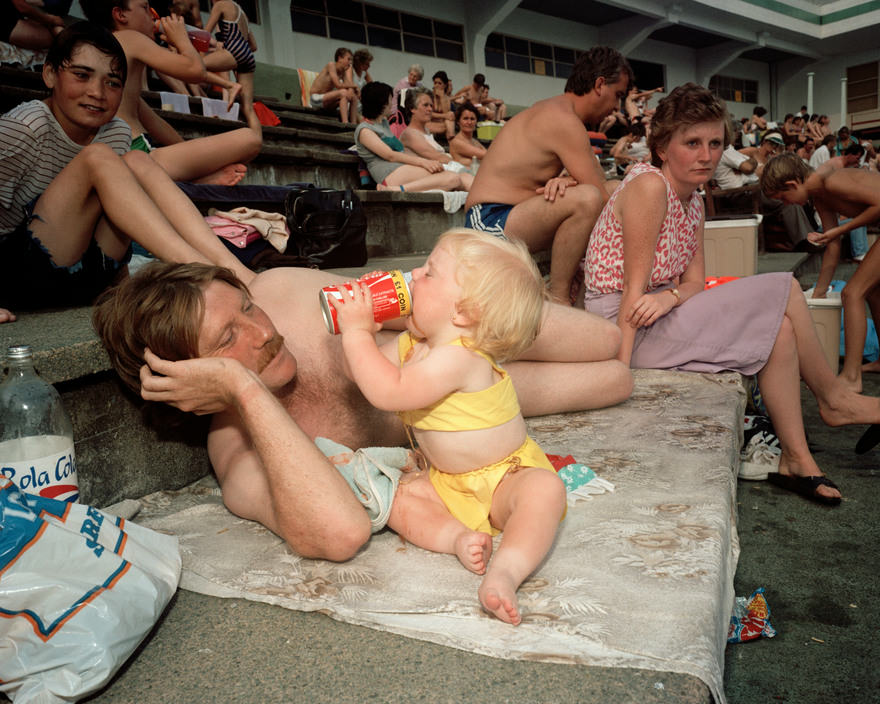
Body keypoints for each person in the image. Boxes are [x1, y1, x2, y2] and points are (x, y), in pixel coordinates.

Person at [91, 259, 633, 561]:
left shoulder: (283, 291)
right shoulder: (237, 449)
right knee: (616, 379)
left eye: (248, 308)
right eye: (228, 339)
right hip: (466, 420)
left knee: (606, 341)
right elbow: (338, 533)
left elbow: (406, 299)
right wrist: (242, 388)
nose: (264, 332)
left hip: (459, 350)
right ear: (185, 374)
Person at [581, 82, 880, 506]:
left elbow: (692, 284)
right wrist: (620, 378)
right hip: (622, 323)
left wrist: (669, 298)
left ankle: (797, 458)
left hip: (661, 312)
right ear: (663, 147)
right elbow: (632, 295)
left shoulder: (695, 199)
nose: (706, 154)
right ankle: (833, 400)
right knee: (784, 287)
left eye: (716, 143)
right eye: (692, 143)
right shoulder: (650, 188)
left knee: (780, 330)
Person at [329, 230, 566, 625]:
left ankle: (506, 571)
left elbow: (389, 391)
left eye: (430, 273)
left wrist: (356, 334)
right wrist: (361, 335)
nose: (414, 275)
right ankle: (455, 538)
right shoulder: (413, 342)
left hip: (505, 477)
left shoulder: (461, 359)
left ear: (464, 313)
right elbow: (359, 374)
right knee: (393, 499)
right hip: (444, 480)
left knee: (545, 489)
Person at [0, 22, 254, 321]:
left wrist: (121, 285)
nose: (97, 92)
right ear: (50, 74)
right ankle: (206, 276)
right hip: (21, 277)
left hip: (85, 274)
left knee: (137, 160)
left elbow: (117, 211)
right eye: (81, 75)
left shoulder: (116, 131)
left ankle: (235, 271)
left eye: (113, 82)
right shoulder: (23, 127)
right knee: (98, 158)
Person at [464, 46, 633, 303]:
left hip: (511, 214)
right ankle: (559, 296)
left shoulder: (558, 111)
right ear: (600, 85)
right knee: (588, 199)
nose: (616, 107)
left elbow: (603, 184)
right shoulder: (563, 120)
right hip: (487, 222)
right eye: (617, 95)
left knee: (605, 191)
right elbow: (599, 195)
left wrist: (566, 179)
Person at [80, 0, 262, 186]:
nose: (153, 15)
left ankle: (196, 178)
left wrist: (190, 155)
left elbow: (154, 122)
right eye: (144, 8)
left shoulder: (110, 52)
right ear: (120, 15)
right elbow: (196, 71)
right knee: (250, 139)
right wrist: (181, 38)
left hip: (133, 153)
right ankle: (196, 179)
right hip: (140, 155)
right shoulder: (129, 38)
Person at [761, 152, 880, 401]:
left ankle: (851, 377)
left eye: (784, 197)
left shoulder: (830, 182)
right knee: (872, 291)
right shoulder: (820, 197)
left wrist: (842, 227)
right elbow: (832, 246)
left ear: (793, 184)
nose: (788, 203)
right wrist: (818, 293)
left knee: (853, 293)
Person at [355, 82, 470, 193]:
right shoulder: (365, 130)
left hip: (401, 169)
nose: (392, 103)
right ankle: (396, 190)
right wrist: (423, 162)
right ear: (381, 103)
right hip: (389, 174)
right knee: (453, 178)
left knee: (462, 178)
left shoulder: (383, 123)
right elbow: (390, 155)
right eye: (390, 99)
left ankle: (485, 197)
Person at [399, 88, 473, 190]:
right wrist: (463, 167)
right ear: (413, 109)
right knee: (470, 178)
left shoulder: (426, 131)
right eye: (425, 105)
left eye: (431, 105)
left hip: (440, 173)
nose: (430, 109)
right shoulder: (409, 134)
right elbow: (437, 156)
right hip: (427, 178)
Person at [203, 0, 257, 123]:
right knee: (248, 109)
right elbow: (254, 46)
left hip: (234, 49)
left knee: (196, 66)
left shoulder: (220, 5)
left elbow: (205, 35)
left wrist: (197, 57)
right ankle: (257, 137)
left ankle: (230, 86)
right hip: (247, 55)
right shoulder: (242, 13)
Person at [309, 47, 357, 124]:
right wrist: (354, 86)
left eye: (351, 60)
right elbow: (338, 85)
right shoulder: (331, 65)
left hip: (327, 102)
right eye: (348, 59)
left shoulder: (342, 72)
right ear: (340, 58)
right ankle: (345, 123)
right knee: (343, 92)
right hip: (315, 99)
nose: (350, 62)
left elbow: (349, 86)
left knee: (353, 97)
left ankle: (353, 125)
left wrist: (352, 90)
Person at [1, 0, 65, 50]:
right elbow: (22, 8)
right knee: (52, 38)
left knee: (57, 30)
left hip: (13, 13)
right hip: (7, 21)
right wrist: (51, 20)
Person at [448, 102, 486, 170]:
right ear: (458, 122)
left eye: (472, 119)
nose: (469, 122)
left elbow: (490, 155)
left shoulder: (475, 142)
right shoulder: (456, 142)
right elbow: (487, 155)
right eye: (465, 118)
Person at [345, 48, 372, 120]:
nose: (369, 66)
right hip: (350, 101)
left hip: (359, 103)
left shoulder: (364, 72)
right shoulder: (350, 69)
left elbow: (372, 86)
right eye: (367, 63)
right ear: (359, 62)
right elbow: (349, 84)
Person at [428, 70, 455, 139]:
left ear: (445, 85)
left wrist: (442, 97)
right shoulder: (429, 96)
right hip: (430, 123)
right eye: (435, 83)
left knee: (450, 118)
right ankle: (451, 140)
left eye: (439, 83)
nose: (436, 85)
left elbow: (448, 115)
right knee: (449, 121)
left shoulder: (446, 98)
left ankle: (451, 142)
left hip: (443, 125)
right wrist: (444, 116)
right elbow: (429, 114)